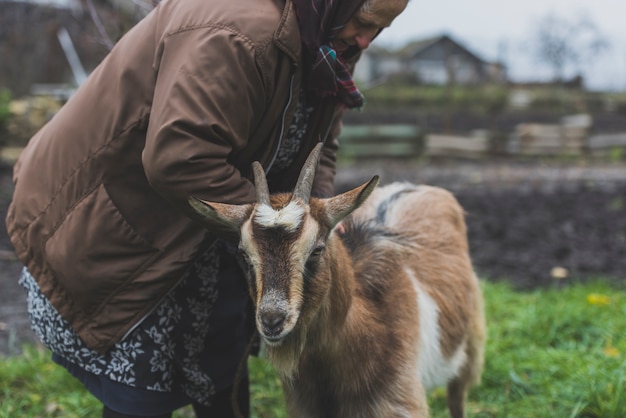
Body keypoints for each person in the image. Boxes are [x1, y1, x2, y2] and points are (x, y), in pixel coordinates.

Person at [6, 0, 408, 416]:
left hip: (220, 220)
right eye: (363, 22)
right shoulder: (237, 31)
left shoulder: (327, 37)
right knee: (142, 388)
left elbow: (321, 142)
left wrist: (317, 211)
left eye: (379, 29)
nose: (364, 39)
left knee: (221, 353)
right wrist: (277, 222)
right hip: (129, 218)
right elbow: (180, 159)